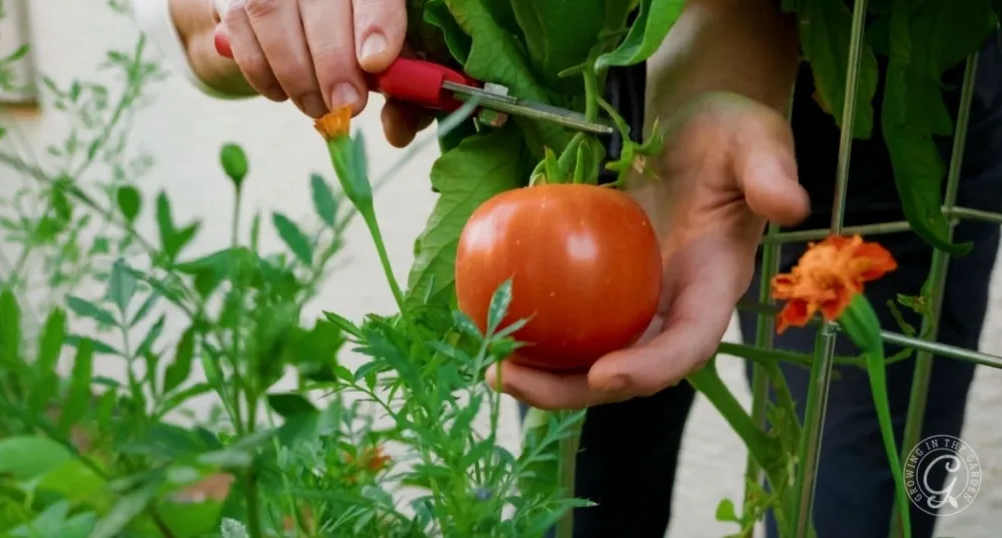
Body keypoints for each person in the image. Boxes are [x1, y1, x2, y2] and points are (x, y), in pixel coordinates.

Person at [133, 1, 1002, 537]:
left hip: (882, 79)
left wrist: (728, 25)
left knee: (852, 505)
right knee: (577, 506)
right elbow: (185, 18)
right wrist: (239, 18)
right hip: (545, 81)